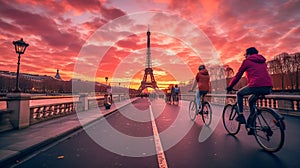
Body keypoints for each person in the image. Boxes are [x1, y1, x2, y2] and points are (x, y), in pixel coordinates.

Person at [226, 47, 273, 129]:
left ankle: (240, 115)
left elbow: (238, 76)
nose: (245, 56)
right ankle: (252, 123)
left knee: (239, 94)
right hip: (268, 87)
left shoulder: (247, 61)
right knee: (251, 100)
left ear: (248, 54)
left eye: (245, 55)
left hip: (256, 85)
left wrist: (230, 86)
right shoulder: (263, 62)